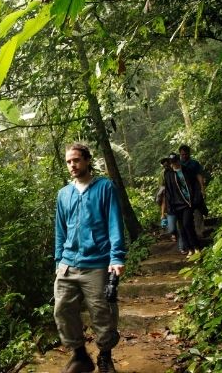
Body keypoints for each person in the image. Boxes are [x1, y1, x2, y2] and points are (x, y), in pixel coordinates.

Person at [54, 143, 126, 373]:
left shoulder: (105, 188)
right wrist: (58, 260)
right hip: (68, 264)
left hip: (97, 263)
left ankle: (105, 356)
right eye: (68, 162)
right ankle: (80, 356)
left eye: (76, 160)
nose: (72, 165)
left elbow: (115, 224)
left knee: (102, 313)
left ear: (86, 160)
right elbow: (60, 230)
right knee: (62, 310)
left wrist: (116, 258)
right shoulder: (64, 194)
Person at [163, 153, 204, 256]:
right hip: (177, 204)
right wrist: (169, 207)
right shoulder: (168, 174)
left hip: (188, 203)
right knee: (182, 228)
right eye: (172, 162)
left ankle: (196, 247)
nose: (175, 164)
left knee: (187, 224)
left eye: (176, 161)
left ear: (178, 160)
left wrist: (196, 199)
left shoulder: (187, 170)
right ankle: (190, 248)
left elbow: (195, 185)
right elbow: (168, 191)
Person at [158, 157, 187, 253]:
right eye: (164, 165)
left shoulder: (176, 173)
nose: (166, 166)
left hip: (180, 205)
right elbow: (163, 199)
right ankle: (177, 237)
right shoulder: (163, 175)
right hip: (170, 209)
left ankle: (182, 247)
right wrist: (162, 214)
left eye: (167, 164)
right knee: (172, 230)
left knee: (181, 227)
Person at [178, 144, 207, 236]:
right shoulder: (177, 164)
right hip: (183, 192)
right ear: (180, 154)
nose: (184, 156)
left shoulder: (194, 163)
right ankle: (190, 233)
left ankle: (200, 231)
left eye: (186, 154)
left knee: (198, 209)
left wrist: (202, 189)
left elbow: (199, 175)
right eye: (182, 154)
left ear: (189, 154)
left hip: (195, 189)